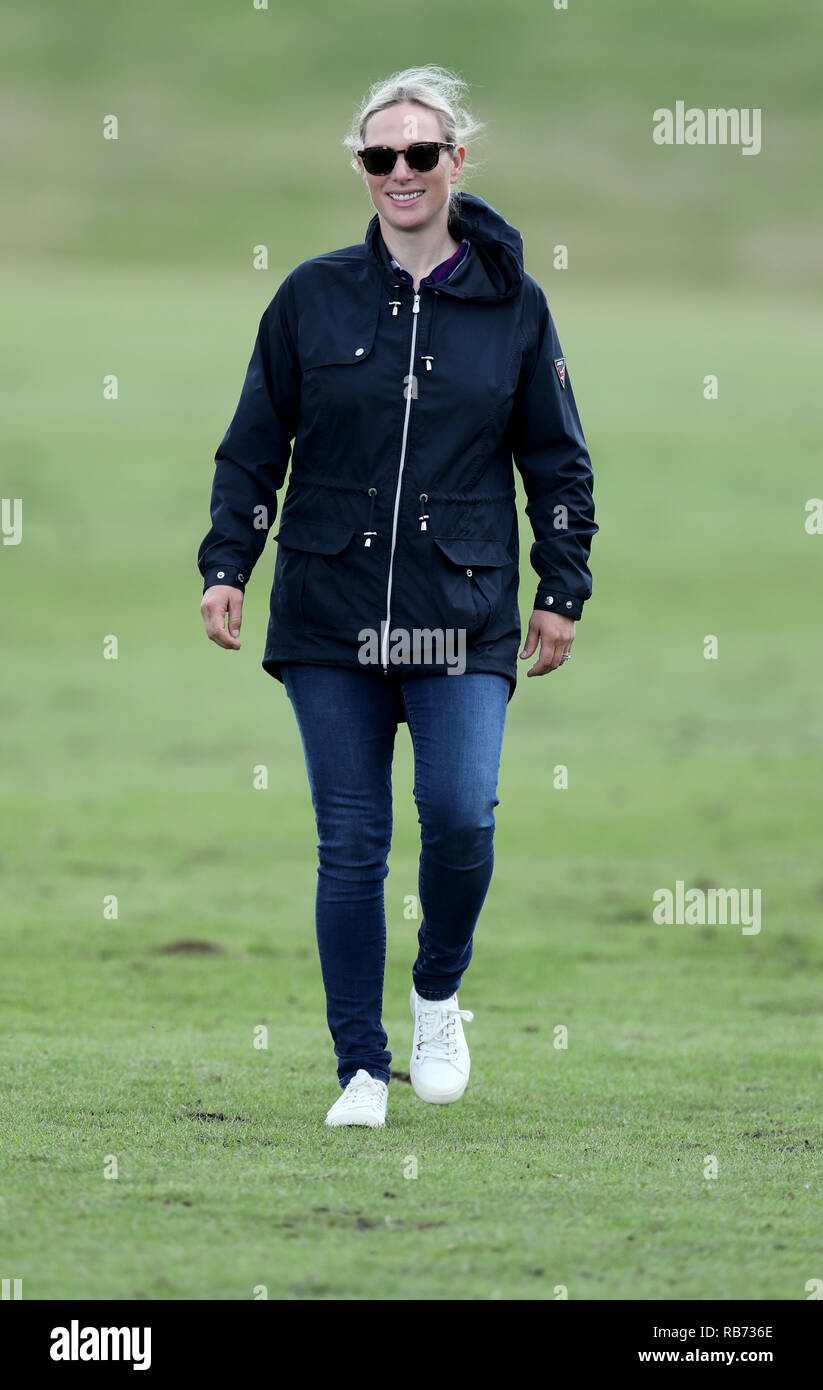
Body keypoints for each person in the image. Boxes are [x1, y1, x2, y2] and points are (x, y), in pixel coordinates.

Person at [198, 65, 597, 1129]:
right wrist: (227, 563)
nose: (402, 171)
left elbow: (556, 463)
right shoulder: (311, 296)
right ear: (363, 170)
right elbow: (253, 445)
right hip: (329, 610)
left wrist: (562, 587)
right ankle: (361, 1070)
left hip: (460, 611)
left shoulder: (514, 305)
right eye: (381, 156)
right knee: (351, 842)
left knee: (460, 817)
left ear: (457, 162)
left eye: (423, 153)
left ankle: (436, 990)